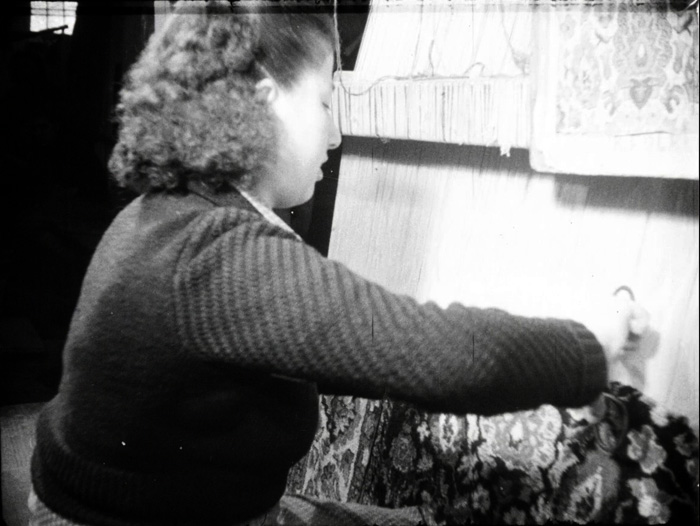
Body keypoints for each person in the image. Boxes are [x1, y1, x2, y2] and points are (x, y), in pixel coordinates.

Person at [28, 2, 649, 525]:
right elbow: (433, 353)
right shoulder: (216, 256)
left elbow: (339, 336)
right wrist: (593, 343)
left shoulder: (160, 214)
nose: (334, 136)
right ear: (265, 103)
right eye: (325, 102)